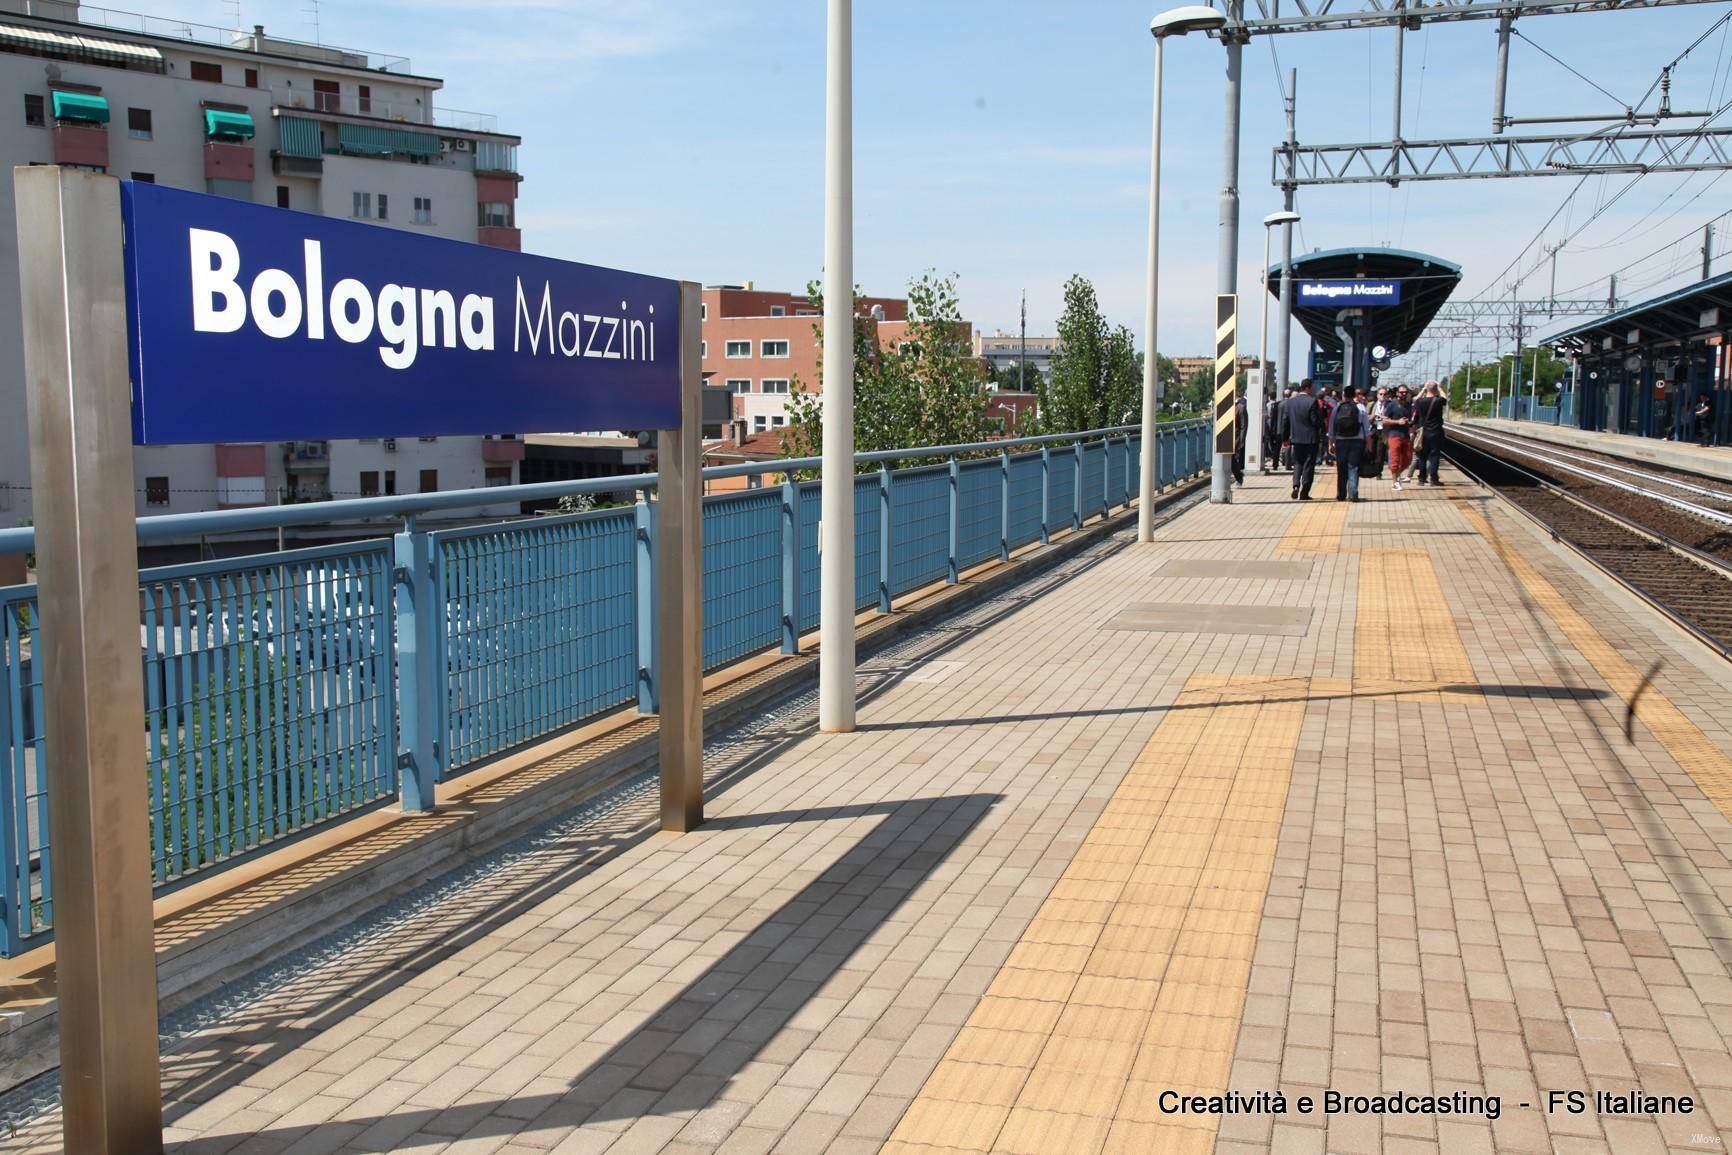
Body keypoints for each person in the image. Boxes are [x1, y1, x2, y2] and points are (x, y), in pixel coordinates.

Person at [1279, 379, 1323, 499]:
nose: (1313, 389)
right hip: (1310, 439)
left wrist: (1285, 438)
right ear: (1308, 388)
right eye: (1312, 387)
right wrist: (1320, 425)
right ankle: (1304, 492)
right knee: (1308, 465)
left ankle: (1295, 486)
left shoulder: (1291, 402)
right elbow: (1315, 421)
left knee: (1298, 463)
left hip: (1296, 439)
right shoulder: (1312, 401)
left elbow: (1285, 422)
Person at [1333, 385, 1367, 502]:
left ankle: (1341, 494)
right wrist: (1368, 442)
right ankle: (1353, 494)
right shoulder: (1360, 408)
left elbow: (1332, 427)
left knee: (1341, 467)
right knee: (1353, 467)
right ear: (1354, 395)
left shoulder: (1337, 408)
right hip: (1357, 441)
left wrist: (1330, 442)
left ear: (1344, 394)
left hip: (1340, 441)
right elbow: (1366, 428)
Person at [1411, 380, 1448, 485]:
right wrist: (1440, 388)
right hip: (1436, 432)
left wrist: (1423, 389)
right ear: (1436, 389)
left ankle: (1422, 479)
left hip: (1423, 433)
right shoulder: (1438, 400)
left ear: (1427, 389)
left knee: (1422, 456)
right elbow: (1445, 398)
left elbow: (1415, 399)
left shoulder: (1420, 402)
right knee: (1435, 455)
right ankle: (1434, 479)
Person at [1381, 386, 1413, 491]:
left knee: (1408, 459)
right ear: (1397, 393)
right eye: (1401, 392)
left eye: (1405, 392)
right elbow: (1384, 420)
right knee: (1395, 459)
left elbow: (1409, 419)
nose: (1403, 394)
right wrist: (1397, 422)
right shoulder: (1391, 405)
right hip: (1394, 435)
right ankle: (1394, 482)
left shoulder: (1408, 406)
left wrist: (1408, 422)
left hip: (1405, 435)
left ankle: (1398, 475)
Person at [1263, 390, 1284, 474]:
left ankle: (1271, 455)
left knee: (1269, 443)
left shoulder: (1267, 405)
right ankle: (1276, 459)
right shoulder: (1278, 405)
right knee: (1277, 446)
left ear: (1269, 397)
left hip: (1269, 427)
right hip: (1277, 428)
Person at [1231, 391, 1249, 485]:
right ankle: (1239, 475)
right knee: (1230, 459)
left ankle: (1238, 476)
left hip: (1236, 438)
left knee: (1232, 459)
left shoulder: (1241, 408)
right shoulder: (1226, 407)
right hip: (1225, 438)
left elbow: (1243, 426)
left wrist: (1241, 440)